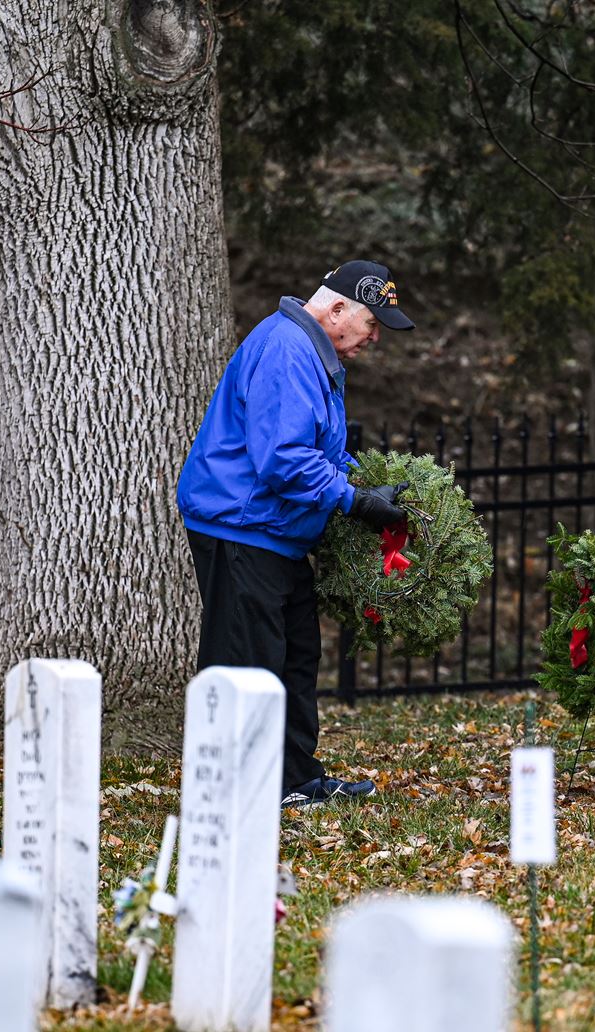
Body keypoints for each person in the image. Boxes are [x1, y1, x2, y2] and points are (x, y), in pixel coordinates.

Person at [177, 260, 414, 807]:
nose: (375, 337)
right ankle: (237, 792)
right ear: (336, 310)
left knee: (296, 652)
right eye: (372, 324)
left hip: (274, 531)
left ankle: (293, 780)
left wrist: (367, 483)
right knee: (249, 662)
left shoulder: (312, 352)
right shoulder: (288, 350)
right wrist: (356, 501)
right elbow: (283, 461)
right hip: (243, 527)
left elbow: (317, 451)